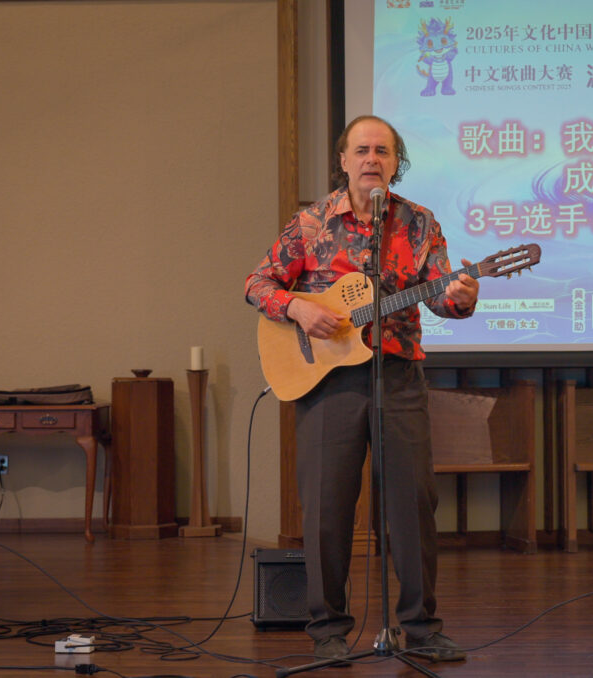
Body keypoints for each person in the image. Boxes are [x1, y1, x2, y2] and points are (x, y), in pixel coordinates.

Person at [245, 115, 478, 663]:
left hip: (397, 375)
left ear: (397, 163)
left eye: (383, 151)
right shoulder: (312, 223)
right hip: (326, 380)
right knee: (326, 507)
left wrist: (461, 297)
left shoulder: (419, 223)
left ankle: (420, 627)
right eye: (363, 150)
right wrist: (298, 308)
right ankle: (328, 630)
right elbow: (257, 283)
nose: (372, 159)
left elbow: (439, 297)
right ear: (344, 160)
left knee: (413, 504)